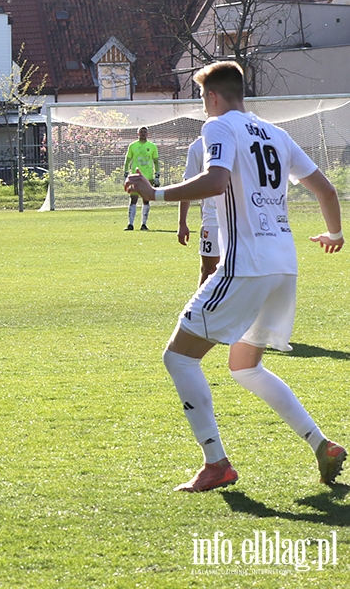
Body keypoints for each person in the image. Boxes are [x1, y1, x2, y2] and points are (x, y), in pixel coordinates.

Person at [125, 61, 345, 492]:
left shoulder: (219, 126)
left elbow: (216, 180)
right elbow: (326, 189)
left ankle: (216, 464)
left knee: (179, 357)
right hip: (284, 265)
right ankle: (322, 445)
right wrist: (336, 233)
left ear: (212, 97)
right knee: (245, 366)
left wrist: (157, 193)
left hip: (247, 265)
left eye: (203, 99)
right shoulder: (276, 134)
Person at [177, 137, 220, 286]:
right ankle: (199, 309)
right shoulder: (198, 146)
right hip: (213, 219)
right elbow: (188, 185)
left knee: (241, 271)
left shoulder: (241, 138)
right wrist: (182, 223)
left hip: (241, 219)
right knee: (209, 269)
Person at [123, 126, 160, 231]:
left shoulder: (152, 146)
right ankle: (130, 224)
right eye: (141, 132)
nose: (143, 133)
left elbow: (156, 161)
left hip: (148, 177)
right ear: (138, 134)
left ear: (147, 134)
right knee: (133, 199)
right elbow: (128, 160)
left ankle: (144, 224)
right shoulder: (132, 145)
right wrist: (126, 172)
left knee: (146, 199)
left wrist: (157, 174)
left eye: (145, 132)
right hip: (135, 177)